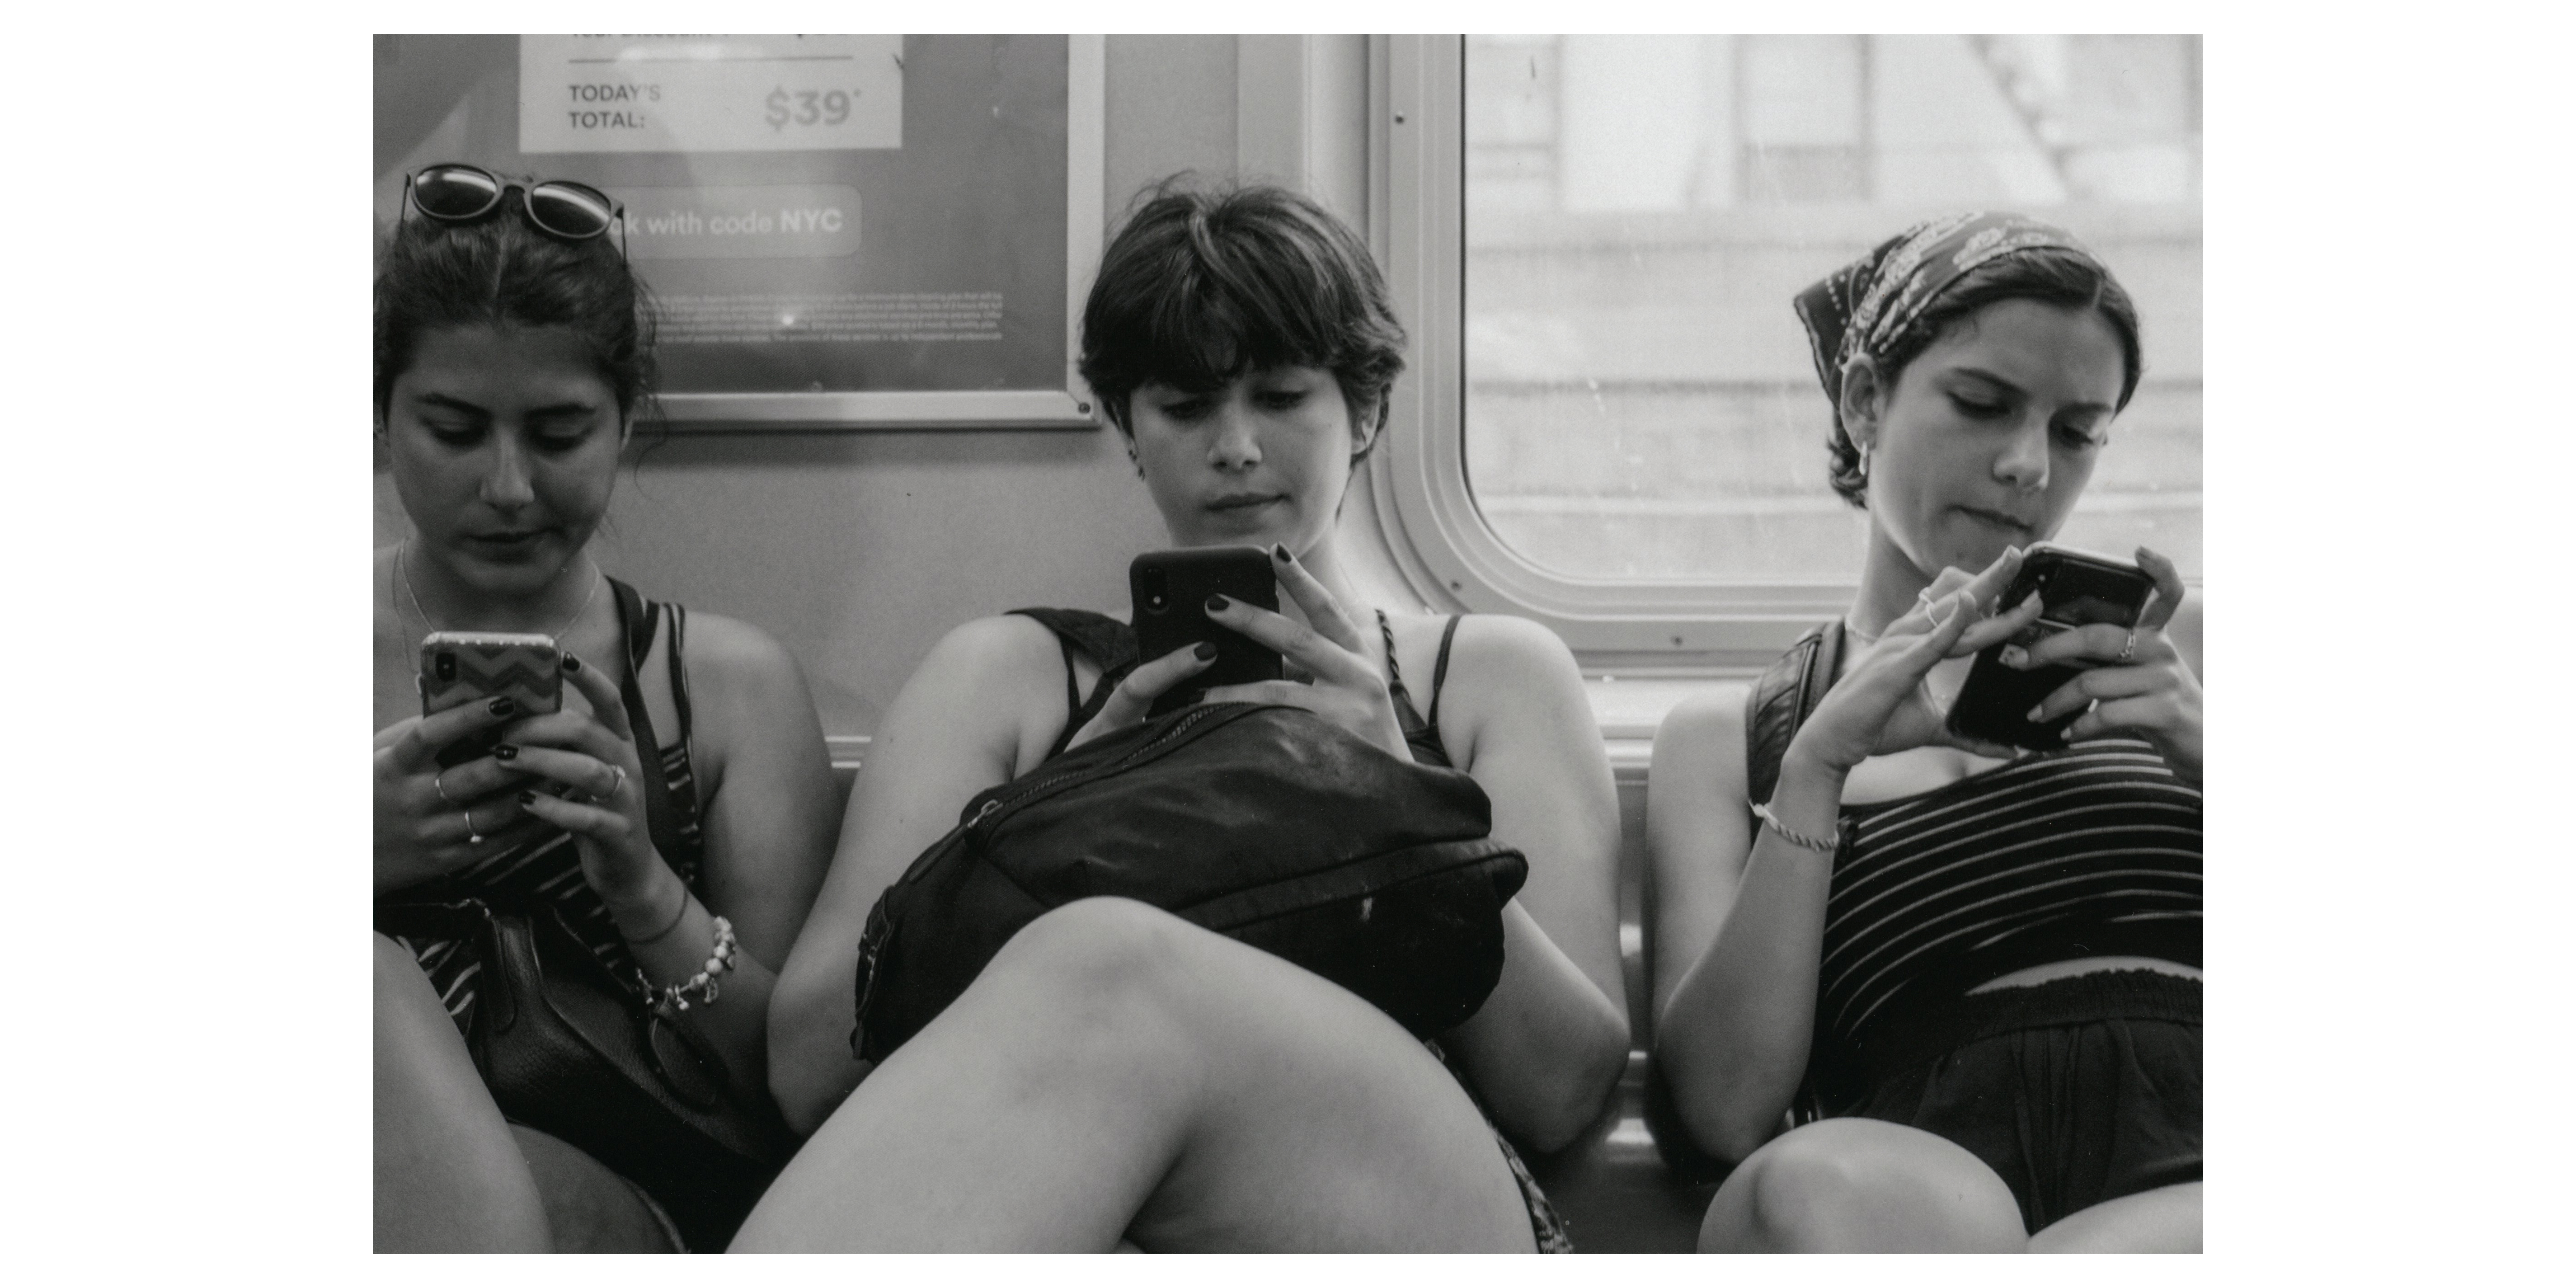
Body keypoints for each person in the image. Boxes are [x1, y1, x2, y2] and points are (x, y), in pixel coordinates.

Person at [745, 182, 1630, 1252]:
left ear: (1366, 413)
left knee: (1116, 963)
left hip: (1419, 1200)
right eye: (1186, 406)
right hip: (1091, 1209)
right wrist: (1040, 830)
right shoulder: (1002, 682)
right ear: (1128, 429)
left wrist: (1402, 804)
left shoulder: (1490, 678)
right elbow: (806, 1073)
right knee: (1099, 963)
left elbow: (1564, 1093)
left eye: (1281, 396)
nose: (1237, 447)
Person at [1646, 212, 2204, 1252]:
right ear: (1865, 399)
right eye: (1983, 406)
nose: (2030, 467)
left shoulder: (2190, 656)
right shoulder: (1739, 737)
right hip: (1921, 1191)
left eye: (2078, 432)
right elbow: (1723, 1112)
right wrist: (1818, 767)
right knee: (1814, 1184)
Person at [371, 165, 841, 1252]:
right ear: (382, 414)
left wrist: (639, 884)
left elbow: (799, 1083)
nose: (507, 488)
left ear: (627, 424)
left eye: (558, 432)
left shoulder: (723, 685)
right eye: (452, 429)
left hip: (635, 1186)